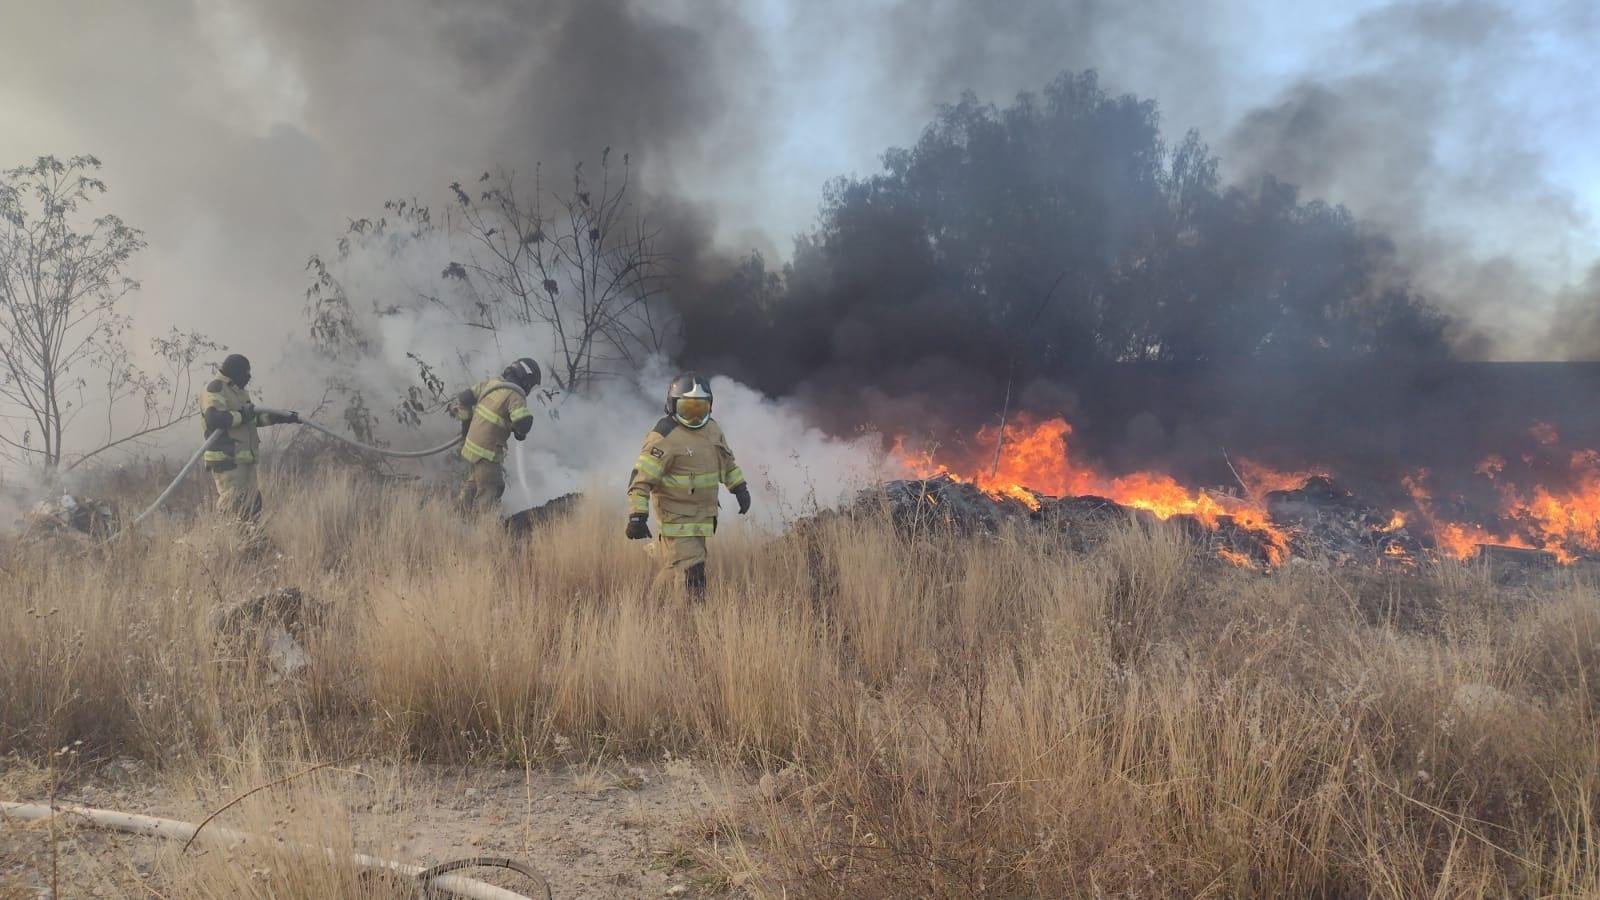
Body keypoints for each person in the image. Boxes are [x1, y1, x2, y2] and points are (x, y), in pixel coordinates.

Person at [625, 372, 750, 598]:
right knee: (693, 571)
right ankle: (695, 619)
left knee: (675, 566)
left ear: (710, 407)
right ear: (672, 406)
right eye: (687, 409)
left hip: (702, 517)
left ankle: (652, 608)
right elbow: (641, 479)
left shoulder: (712, 429)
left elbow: (727, 463)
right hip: (676, 519)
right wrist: (637, 515)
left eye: (700, 409)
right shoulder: (664, 436)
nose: (694, 416)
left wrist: (739, 488)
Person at [199, 354, 299, 520]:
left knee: (253, 502)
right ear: (235, 371)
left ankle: (251, 541)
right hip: (227, 458)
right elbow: (214, 419)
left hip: (244, 458)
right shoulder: (216, 388)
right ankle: (228, 541)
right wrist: (242, 415)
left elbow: (251, 419)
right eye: (246, 372)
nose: (248, 376)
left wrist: (282, 417)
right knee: (232, 504)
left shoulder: (239, 392)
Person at [451, 357, 539, 512]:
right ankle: (485, 530)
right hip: (487, 451)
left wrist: (466, 429)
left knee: (476, 483)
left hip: (472, 446)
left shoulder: (492, 384)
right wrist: (525, 424)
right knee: (492, 488)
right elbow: (522, 425)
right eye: (531, 385)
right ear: (526, 380)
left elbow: (464, 397)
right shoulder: (515, 396)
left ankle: (456, 516)